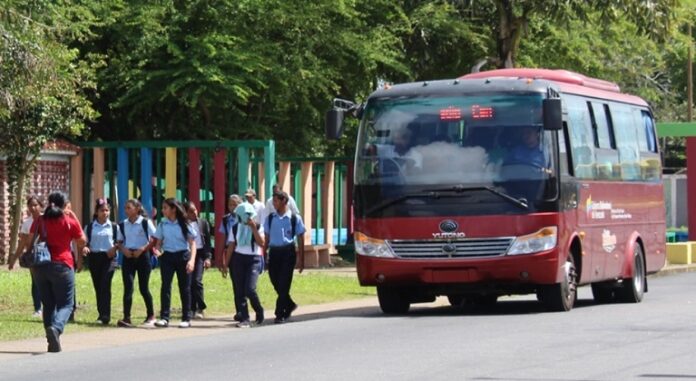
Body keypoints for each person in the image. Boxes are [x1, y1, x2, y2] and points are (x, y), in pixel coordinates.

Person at [25, 192, 85, 353]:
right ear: (65, 205)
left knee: (48, 304)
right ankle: (56, 328)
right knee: (67, 304)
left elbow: (30, 242)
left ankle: (52, 341)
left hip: (40, 266)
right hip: (62, 265)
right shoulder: (68, 220)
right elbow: (82, 241)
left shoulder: (39, 220)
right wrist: (74, 216)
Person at [152, 198, 198, 328]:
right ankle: (164, 317)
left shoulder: (185, 224)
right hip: (167, 257)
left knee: (185, 288)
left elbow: (192, 244)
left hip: (183, 256)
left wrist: (192, 260)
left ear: (173, 209)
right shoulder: (162, 224)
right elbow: (158, 243)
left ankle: (186, 318)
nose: (163, 210)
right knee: (165, 286)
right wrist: (157, 251)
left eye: (165, 208)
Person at [263, 191, 306, 324]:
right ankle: (290, 304)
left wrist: (301, 258)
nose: (273, 203)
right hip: (274, 252)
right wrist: (264, 254)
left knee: (284, 283)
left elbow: (300, 237)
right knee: (275, 281)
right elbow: (266, 237)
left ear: (284, 201)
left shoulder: (294, 218)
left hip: (288, 252)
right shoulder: (270, 218)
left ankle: (279, 313)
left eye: (276, 201)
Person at [117, 199, 157, 328]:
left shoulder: (145, 222)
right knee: (128, 287)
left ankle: (151, 315)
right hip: (128, 257)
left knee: (143, 287)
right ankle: (126, 317)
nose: (126, 210)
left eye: (129, 207)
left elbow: (154, 239)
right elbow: (119, 241)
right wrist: (124, 250)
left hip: (143, 256)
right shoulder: (122, 224)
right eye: (125, 208)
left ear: (137, 208)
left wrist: (143, 249)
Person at [225, 201, 265, 328]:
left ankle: (259, 310)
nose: (246, 217)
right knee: (239, 290)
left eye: (248, 214)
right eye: (243, 214)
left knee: (250, 288)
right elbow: (231, 246)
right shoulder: (235, 227)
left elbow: (262, 243)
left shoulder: (259, 226)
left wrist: (253, 229)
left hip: (254, 259)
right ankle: (245, 318)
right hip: (238, 259)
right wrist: (226, 263)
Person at [82, 198, 120, 325]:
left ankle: (106, 315)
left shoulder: (114, 227)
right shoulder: (90, 226)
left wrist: (114, 248)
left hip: (109, 258)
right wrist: (85, 248)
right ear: (97, 212)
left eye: (107, 210)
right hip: (95, 257)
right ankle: (101, 313)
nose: (105, 213)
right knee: (98, 286)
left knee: (105, 284)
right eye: (102, 210)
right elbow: (84, 242)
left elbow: (120, 241)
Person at [8, 195, 44, 318]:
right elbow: (22, 243)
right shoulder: (27, 223)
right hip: (34, 257)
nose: (33, 208)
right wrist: (14, 260)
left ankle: (49, 306)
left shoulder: (48, 220)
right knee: (35, 282)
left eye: (35, 205)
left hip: (48, 256)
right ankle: (38, 308)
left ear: (41, 205)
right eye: (30, 205)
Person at [183, 201, 212, 319]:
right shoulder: (183, 224)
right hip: (187, 254)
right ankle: (191, 308)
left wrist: (208, 257)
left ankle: (201, 307)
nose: (194, 213)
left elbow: (208, 242)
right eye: (191, 211)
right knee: (188, 283)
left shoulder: (203, 223)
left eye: (195, 210)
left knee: (197, 281)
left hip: (199, 254)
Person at [218, 194, 242, 321]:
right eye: (230, 204)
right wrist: (221, 258)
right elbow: (223, 239)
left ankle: (245, 309)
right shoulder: (226, 220)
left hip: (242, 250)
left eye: (235, 204)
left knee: (244, 283)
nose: (232, 207)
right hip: (231, 252)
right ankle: (239, 310)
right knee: (236, 283)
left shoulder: (245, 218)